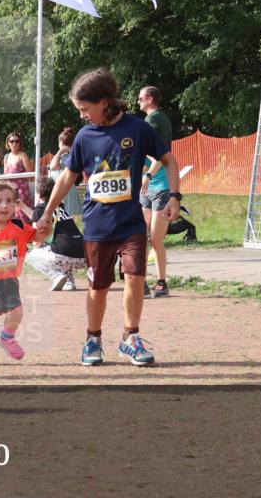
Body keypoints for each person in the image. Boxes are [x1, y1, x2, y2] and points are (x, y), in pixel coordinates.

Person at [37, 68, 180, 367]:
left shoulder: (139, 129)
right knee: (98, 287)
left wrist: (175, 197)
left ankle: (130, 339)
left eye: (84, 109)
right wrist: (48, 211)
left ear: (103, 102)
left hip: (130, 225)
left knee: (135, 277)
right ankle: (93, 339)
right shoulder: (84, 136)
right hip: (97, 227)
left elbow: (169, 160)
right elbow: (67, 176)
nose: (82, 116)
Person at [0, 181, 47, 367]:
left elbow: (36, 236)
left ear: (15, 204)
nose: (4, 205)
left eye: (9, 201)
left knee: (17, 312)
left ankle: (6, 337)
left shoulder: (19, 225)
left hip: (9, 279)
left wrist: (46, 228)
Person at [138, 85, 174, 298]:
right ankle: (140, 282)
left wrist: (148, 175)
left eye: (141, 98)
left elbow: (162, 156)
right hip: (148, 187)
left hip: (160, 187)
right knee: (143, 237)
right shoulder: (161, 119)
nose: (138, 102)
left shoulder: (153, 120)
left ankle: (161, 282)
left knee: (153, 238)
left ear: (150, 99)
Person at [25, 177, 86, 291]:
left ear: (38, 193)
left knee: (31, 255)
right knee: (58, 245)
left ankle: (56, 276)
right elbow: (40, 218)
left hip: (65, 256)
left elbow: (37, 242)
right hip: (84, 256)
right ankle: (69, 283)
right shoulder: (60, 207)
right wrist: (22, 207)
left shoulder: (39, 210)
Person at [49, 127, 83, 216]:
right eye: (64, 143)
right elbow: (52, 166)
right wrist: (60, 152)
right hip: (56, 192)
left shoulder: (70, 157)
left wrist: (65, 152)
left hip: (68, 194)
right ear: (59, 143)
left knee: (71, 218)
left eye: (68, 144)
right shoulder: (58, 157)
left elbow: (53, 167)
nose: (65, 146)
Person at [3, 132, 33, 205]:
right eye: (12, 141)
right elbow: (5, 174)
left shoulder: (23, 155)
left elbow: (29, 173)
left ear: (19, 143)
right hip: (9, 188)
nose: (14, 143)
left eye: (17, 141)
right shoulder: (6, 157)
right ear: (8, 143)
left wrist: (15, 175)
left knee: (23, 210)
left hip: (21, 188)